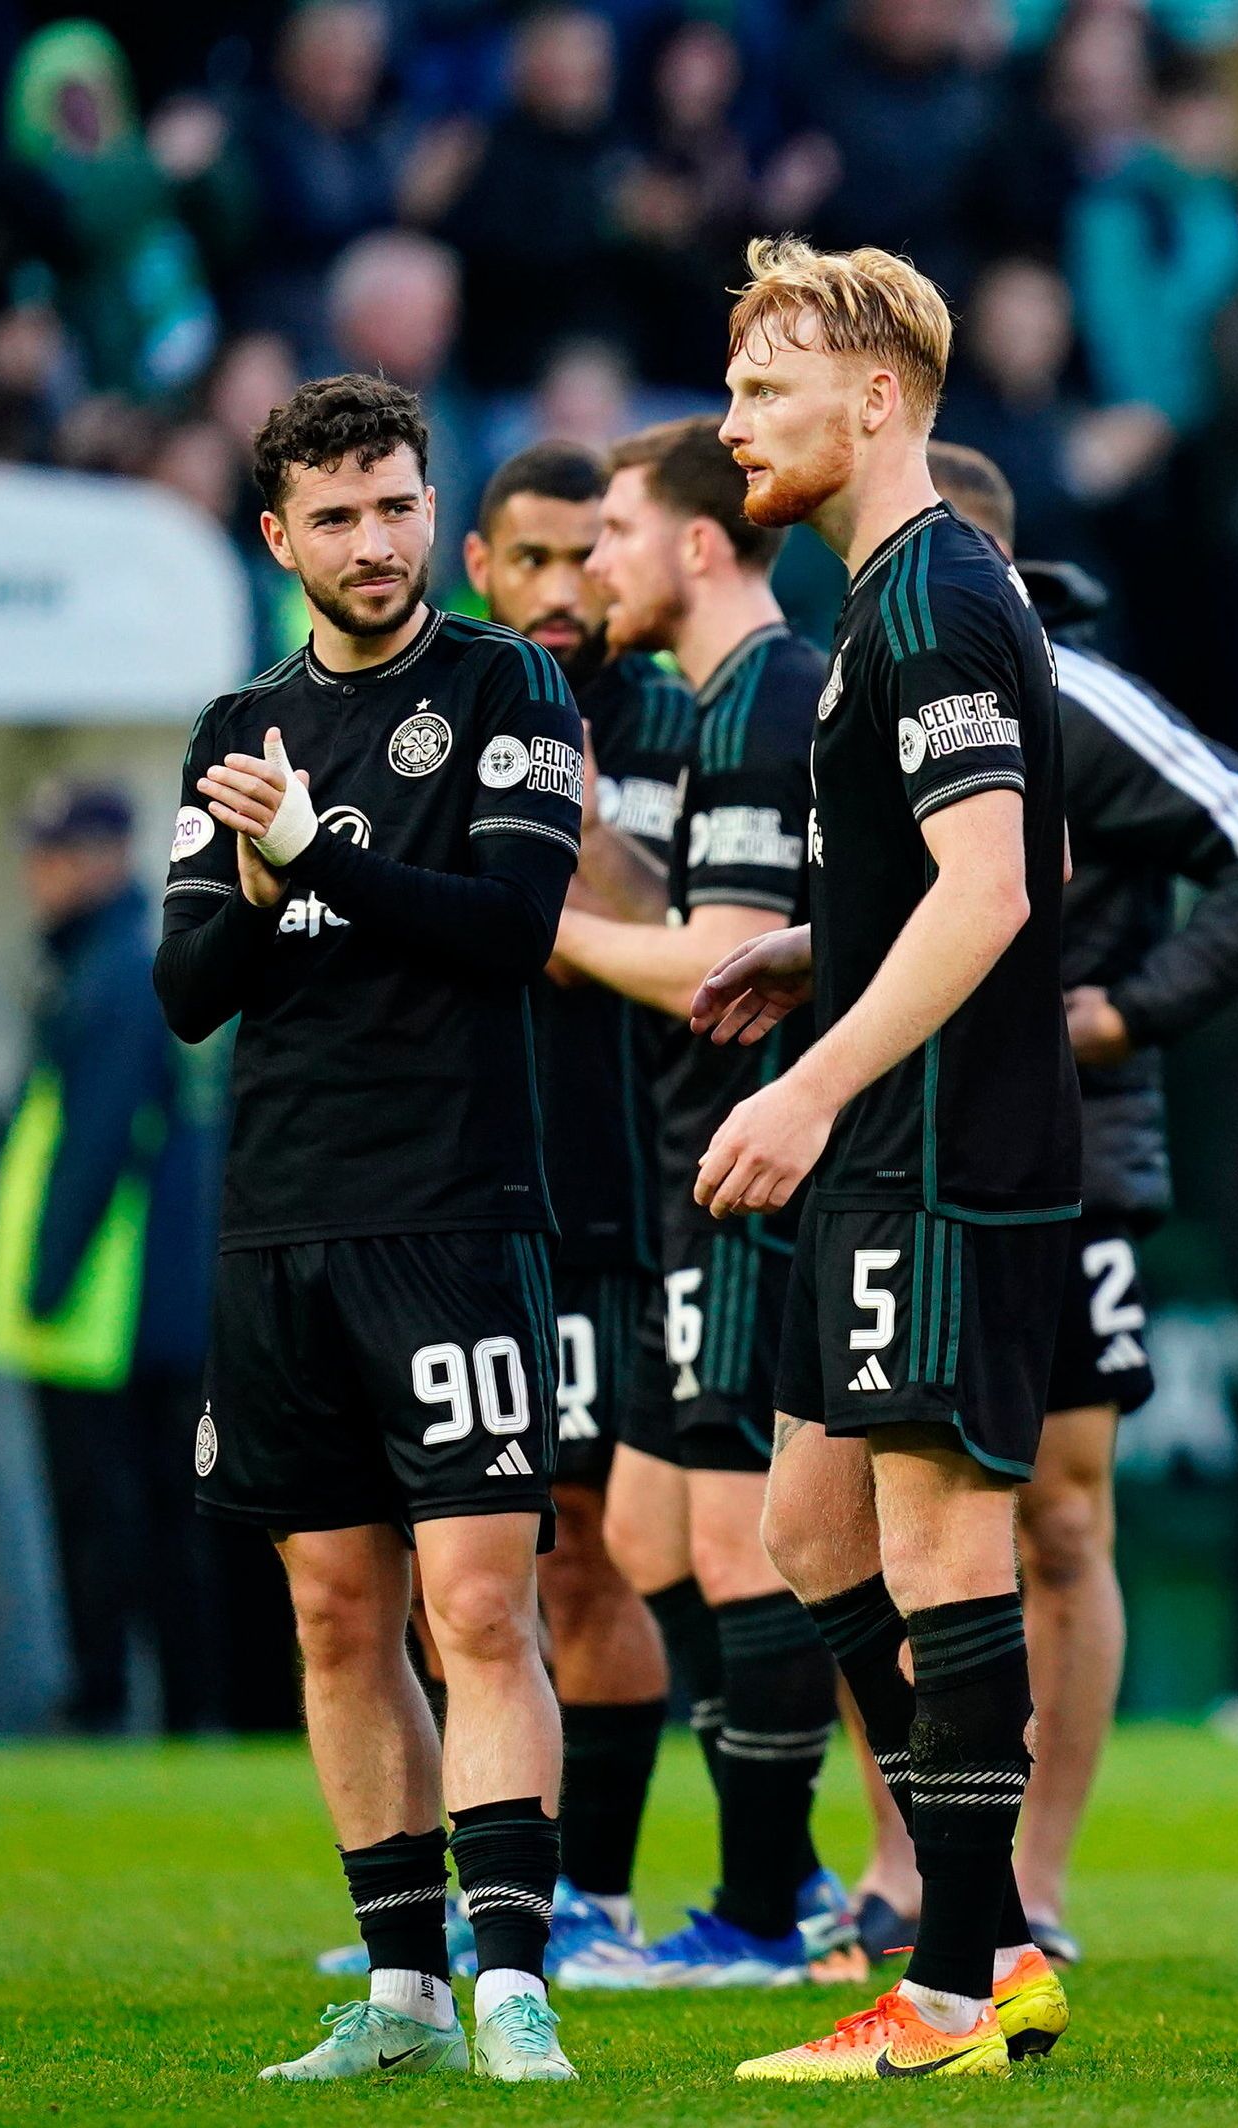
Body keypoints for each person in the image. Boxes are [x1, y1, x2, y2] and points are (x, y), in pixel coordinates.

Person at [681, 237, 1082, 2083]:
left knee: (933, 1535)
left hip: (931, 1149)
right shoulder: (893, 592)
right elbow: (970, 874)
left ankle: (956, 1973)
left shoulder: (927, 596)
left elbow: (997, 888)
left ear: (876, 397)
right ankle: (978, 1937)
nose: (733, 419)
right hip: (900, 1137)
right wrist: (818, 947)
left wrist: (816, 1080)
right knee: (806, 1526)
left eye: (765, 388)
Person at [155, 373, 585, 2083]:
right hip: (281, 1214)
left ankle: (515, 1980)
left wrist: (317, 852)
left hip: (452, 1202)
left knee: (475, 1609)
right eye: (336, 515)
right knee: (335, 1610)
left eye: (397, 503)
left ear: (432, 507)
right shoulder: (232, 727)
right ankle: (402, 1991)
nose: (375, 539)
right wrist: (260, 889)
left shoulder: (509, 685)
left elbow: (511, 921)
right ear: (280, 538)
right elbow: (193, 988)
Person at [925, 439, 1238, 1963]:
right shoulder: (847, 689)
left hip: (1064, 1157)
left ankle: (1038, 1881)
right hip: (879, 1150)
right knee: (854, 1520)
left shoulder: (1071, 694)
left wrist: (1129, 1011)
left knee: (1055, 1515)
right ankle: (907, 1866)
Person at [545, 418, 866, 1985]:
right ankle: (788, 1872)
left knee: (746, 1547)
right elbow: (661, 906)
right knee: (651, 1525)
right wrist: (582, 843)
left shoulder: (769, 699)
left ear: (694, 543)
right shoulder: (693, 706)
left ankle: (763, 1912)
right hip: (693, 1159)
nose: (591, 561)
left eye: (609, 529)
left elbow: (722, 952)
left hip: (753, 1158)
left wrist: (557, 931)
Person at [456, 443, 694, 1983]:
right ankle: (484, 1909)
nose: (558, 589)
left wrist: (579, 821)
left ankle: (593, 1895)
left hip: (616, 1197)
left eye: (580, 557)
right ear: (477, 562)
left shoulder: (674, 722)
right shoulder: (427, 723)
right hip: (453, 1198)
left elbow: (639, 937)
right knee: (471, 1560)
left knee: (596, 1552)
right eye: (528, 559)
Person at [0, 780, 221, 1734]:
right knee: (146, 1515)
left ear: (110, 855)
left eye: (59, 854)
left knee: (114, 1519)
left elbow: (94, 1144)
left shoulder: (116, 971)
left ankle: (118, 1701)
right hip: (115, 1312)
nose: (40, 876)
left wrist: (44, 1280)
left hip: (104, 1316)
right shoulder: (107, 961)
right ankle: (168, 1705)